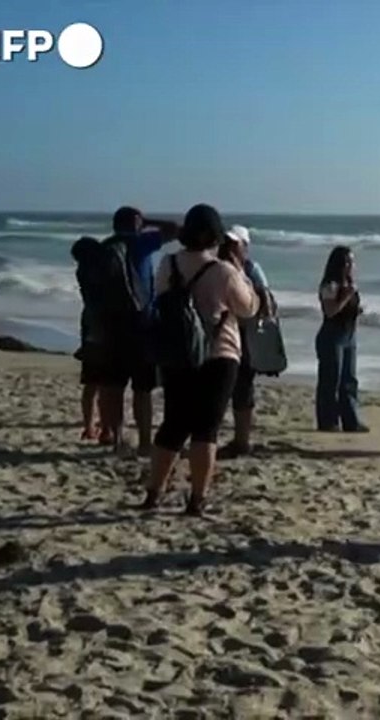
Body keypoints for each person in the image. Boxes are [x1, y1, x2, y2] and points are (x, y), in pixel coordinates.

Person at [141, 204, 259, 516]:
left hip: (177, 353)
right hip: (219, 353)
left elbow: (160, 296)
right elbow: (248, 308)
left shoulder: (169, 263)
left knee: (173, 425)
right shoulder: (224, 271)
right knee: (206, 429)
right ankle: (197, 498)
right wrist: (241, 272)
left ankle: (154, 492)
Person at [98, 206, 179, 456]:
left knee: (113, 388)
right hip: (143, 325)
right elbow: (175, 229)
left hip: (110, 326)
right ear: (136, 223)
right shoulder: (141, 242)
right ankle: (144, 442)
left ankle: (117, 440)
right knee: (142, 390)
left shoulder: (105, 247)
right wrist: (148, 221)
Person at [219, 224, 275, 458]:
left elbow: (267, 305)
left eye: (235, 244)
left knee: (242, 389)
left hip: (244, 335)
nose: (229, 248)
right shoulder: (216, 268)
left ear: (245, 247)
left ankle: (242, 440)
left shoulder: (251, 270)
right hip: (221, 334)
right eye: (227, 243)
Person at [315, 246, 369, 433]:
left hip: (349, 335)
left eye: (351, 262)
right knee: (331, 380)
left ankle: (350, 420)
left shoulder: (350, 284)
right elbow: (330, 311)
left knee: (349, 379)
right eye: (346, 262)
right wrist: (345, 297)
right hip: (332, 335)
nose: (349, 266)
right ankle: (328, 421)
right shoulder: (331, 285)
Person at [71, 236, 109, 441]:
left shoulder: (83, 272)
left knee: (92, 382)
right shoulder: (100, 274)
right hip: (101, 325)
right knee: (103, 382)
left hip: (89, 324)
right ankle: (102, 425)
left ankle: (89, 425)